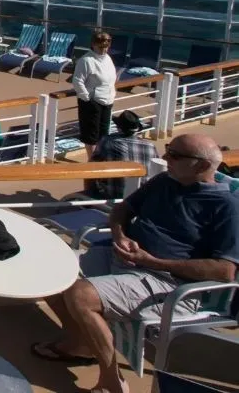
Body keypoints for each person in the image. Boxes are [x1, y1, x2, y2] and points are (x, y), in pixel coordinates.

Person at [33, 133, 237, 393]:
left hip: (167, 282)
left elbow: (224, 271)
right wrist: (120, 235)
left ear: (202, 165)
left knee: (80, 294)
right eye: (168, 149)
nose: (165, 157)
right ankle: (81, 345)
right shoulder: (165, 181)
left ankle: (112, 380)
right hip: (124, 259)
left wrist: (155, 262)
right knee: (49, 268)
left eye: (174, 155)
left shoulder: (227, 207)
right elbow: (123, 209)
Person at [84, 110, 159, 199]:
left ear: (118, 127)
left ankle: (87, 200)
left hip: (113, 198)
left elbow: (91, 167)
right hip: (142, 198)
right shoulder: (150, 147)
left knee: (89, 174)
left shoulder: (107, 142)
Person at [73, 31, 116, 157]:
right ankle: (92, 161)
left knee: (104, 134)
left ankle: (100, 158)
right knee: (91, 135)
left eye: (106, 47)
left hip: (107, 101)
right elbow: (77, 81)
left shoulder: (108, 59)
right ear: (93, 45)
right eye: (101, 46)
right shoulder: (86, 61)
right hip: (92, 103)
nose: (104, 49)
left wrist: (112, 95)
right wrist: (87, 98)